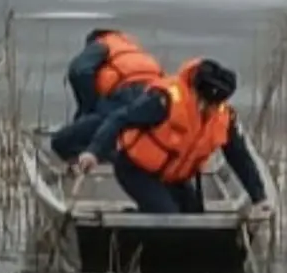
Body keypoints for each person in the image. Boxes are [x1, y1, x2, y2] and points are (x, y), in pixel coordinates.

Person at [73, 57, 271, 214]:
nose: (206, 107)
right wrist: (94, 152)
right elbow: (119, 119)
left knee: (195, 221)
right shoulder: (164, 100)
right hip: (136, 170)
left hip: (173, 178)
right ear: (194, 91)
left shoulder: (223, 118)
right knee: (167, 217)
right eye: (203, 101)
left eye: (213, 104)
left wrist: (259, 198)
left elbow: (240, 158)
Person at [50, 29, 164, 163]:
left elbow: (79, 71)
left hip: (125, 98)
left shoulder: (103, 43)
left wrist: (87, 109)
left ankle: (111, 159)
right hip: (155, 98)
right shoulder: (135, 50)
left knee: (61, 142)